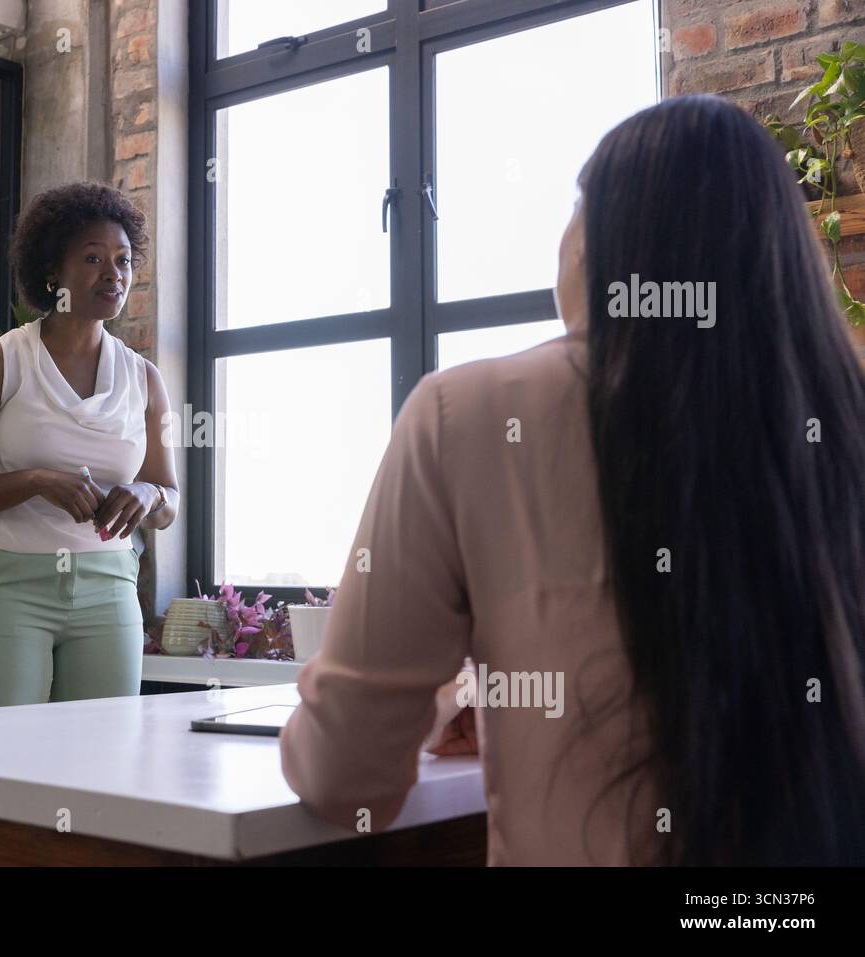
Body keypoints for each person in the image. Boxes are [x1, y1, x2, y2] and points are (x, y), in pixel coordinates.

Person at [279, 94, 865, 865]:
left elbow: (344, 775)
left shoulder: (466, 413)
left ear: (594, 244)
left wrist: (434, 699)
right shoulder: (841, 409)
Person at [0, 182, 179, 708]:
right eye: (92, 258)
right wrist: (35, 482)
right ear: (52, 272)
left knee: (100, 764)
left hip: (109, 591)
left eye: (123, 260)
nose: (114, 273)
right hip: (10, 589)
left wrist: (146, 495)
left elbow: (168, 499)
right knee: (1, 764)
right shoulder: (1, 362)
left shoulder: (144, 378)